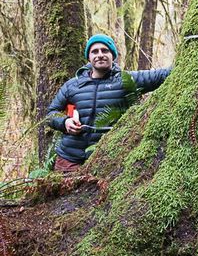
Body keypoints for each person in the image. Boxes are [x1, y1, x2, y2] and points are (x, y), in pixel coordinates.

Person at [46, 34, 171, 172]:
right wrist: (65, 123)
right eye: (95, 51)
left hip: (107, 160)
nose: (100, 55)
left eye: (104, 50)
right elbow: (51, 114)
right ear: (89, 57)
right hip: (69, 159)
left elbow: (161, 75)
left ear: (112, 55)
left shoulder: (126, 80)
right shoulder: (72, 85)